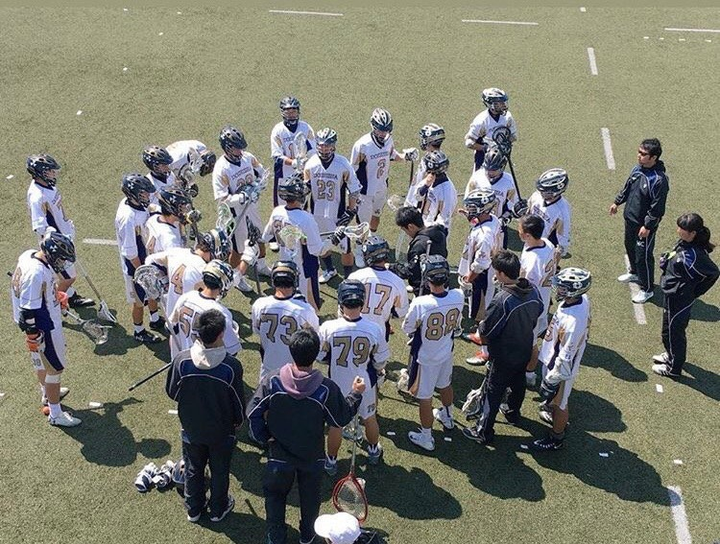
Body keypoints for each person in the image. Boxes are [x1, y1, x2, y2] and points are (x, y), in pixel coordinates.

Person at [247, 329, 365, 544]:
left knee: (275, 497)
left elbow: (253, 412)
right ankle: (308, 536)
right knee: (310, 500)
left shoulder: (273, 380)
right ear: (316, 353)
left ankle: (276, 536)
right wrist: (355, 394)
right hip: (312, 456)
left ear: (291, 350)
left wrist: (263, 437)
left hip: (279, 455)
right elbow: (340, 418)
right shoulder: (326, 388)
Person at [166, 309, 245, 523]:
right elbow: (238, 403)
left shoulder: (182, 360)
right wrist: (238, 421)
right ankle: (218, 509)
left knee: (193, 467)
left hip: (191, 427)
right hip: (221, 430)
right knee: (219, 471)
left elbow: (172, 391)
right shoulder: (231, 367)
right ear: (221, 334)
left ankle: (194, 509)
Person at [462, 250, 542, 446]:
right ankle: (513, 413)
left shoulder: (502, 300)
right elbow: (539, 311)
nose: (495, 275)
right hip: (524, 348)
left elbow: (487, 330)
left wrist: (483, 328)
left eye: (496, 272)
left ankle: (483, 431)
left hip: (504, 355)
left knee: (493, 391)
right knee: (518, 383)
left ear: (503, 274)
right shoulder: (533, 290)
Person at [10, 229, 81, 426]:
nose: (62, 263)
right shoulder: (36, 273)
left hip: (42, 319)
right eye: (61, 258)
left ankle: (46, 394)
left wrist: (55, 296)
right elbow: (28, 311)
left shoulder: (29, 255)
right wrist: (34, 335)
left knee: (42, 364)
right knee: (55, 368)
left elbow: (36, 293)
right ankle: (55, 414)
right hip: (44, 326)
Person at [320, 280, 390, 472]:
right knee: (369, 418)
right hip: (364, 383)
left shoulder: (328, 327)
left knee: (336, 424)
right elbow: (381, 360)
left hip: (337, 384)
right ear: (362, 301)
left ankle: (331, 461)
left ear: (341, 301)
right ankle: (373, 450)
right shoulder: (374, 328)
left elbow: (320, 357)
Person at [402, 256, 464, 451]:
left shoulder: (421, 303)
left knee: (425, 397)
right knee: (445, 385)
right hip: (446, 350)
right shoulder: (458, 295)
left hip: (426, 357)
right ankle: (448, 416)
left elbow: (407, 327)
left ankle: (426, 437)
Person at [529, 267, 592, 451]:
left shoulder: (573, 321)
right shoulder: (580, 301)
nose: (559, 290)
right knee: (556, 400)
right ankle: (550, 407)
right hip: (554, 355)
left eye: (563, 287)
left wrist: (553, 378)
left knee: (561, 403)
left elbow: (566, 356)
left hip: (561, 367)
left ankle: (556, 437)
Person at [261, 173, 341, 310]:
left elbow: (266, 237)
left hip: (284, 263)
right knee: (309, 305)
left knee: (289, 300)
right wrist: (334, 239)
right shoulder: (305, 218)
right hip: (304, 267)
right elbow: (318, 250)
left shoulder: (277, 212)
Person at [652, 213, 719, 377]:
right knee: (667, 330)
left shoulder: (696, 255)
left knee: (674, 333)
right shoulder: (685, 242)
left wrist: (696, 291)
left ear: (692, 233)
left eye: (682, 228)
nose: (678, 230)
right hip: (672, 294)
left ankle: (673, 369)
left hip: (681, 299)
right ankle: (670, 355)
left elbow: (714, 273)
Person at [25, 154, 94, 307]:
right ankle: (52, 304)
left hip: (64, 236)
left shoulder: (48, 186)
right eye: (50, 171)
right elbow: (40, 227)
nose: (53, 173)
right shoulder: (37, 196)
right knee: (69, 277)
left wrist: (66, 226)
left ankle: (70, 296)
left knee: (66, 274)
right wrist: (60, 239)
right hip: (57, 245)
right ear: (41, 173)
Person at [609, 138, 670, 304]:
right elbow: (627, 188)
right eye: (639, 152)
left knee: (643, 256)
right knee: (629, 246)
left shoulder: (659, 180)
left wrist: (648, 226)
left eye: (643, 154)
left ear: (654, 157)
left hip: (644, 226)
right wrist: (617, 202)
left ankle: (647, 289)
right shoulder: (637, 170)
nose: (639, 156)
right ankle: (635, 273)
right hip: (630, 219)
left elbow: (657, 207)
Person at [212, 124, 271, 292]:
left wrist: (258, 185)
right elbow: (222, 198)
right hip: (235, 214)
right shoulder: (221, 169)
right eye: (237, 148)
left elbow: (261, 172)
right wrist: (242, 197)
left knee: (259, 236)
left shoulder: (247, 158)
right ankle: (236, 276)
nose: (240, 151)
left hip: (251, 207)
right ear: (227, 148)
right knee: (238, 249)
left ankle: (261, 265)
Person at [304, 127, 360, 282]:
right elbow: (305, 189)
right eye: (321, 145)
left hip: (338, 214)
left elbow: (354, 189)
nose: (324, 148)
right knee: (321, 245)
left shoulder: (342, 163)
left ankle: (348, 277)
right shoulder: (311, 164)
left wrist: (350, 211)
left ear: (333, 145)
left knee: (345, 248)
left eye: (327, 145)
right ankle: (329, 269)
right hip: (317, 213)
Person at [114, 173, 164, 344]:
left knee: (153, 291)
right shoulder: (128, 218)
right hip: (135, 266)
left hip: (146, 258)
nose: (147, 196)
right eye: (143, 193)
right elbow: (130, 252)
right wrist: (142, 271)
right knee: (138, 301)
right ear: (133, 194)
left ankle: (155, 319)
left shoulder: (135, 204)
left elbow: (148, 208)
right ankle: (139, 330)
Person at [350, 108, 417, 233]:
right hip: (364, 192)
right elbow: (352, 170)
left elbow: (391, 154)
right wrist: (353, 192)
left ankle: (372, 237)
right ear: (373, 126)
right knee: (363, 224)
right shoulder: (362, 145)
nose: (383, 134)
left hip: (381, 187)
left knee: (376, 216)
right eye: (380, 130)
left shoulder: (388, 140)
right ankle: (362, 244)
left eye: (386, 130)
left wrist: (405, 156)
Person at [251, 260, 319, 382]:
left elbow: (257, 331)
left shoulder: (259, 304)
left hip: (268, 367)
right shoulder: (304, 310)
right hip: (294, 372)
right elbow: (313, 337)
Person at [457, 190, 503, 365]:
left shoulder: (484, 235)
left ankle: (485, 352)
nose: (470, 209)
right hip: (488, 273)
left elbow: (481, 264)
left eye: (472, 207)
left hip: (482, 277)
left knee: (481, 315)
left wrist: (468, 279)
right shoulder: (493, 219)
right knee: (481, 311)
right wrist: (468, 216)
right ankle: (479, 336)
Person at [168, 259, 241, 360]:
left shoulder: (186, 297)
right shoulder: (221, 313)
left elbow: (170, 328)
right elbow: (232, 350)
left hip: (182, 359)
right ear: (224, 284)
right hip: (205, 363)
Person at [518, 214, 558, 386]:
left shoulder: (533, 260)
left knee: (531, 341)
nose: (518, 232)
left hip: (533, 305)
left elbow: (527, 287)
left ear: (527, 235)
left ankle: (529, 372)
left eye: (520, 230)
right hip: (544, 297)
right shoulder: (547, 243)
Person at [347, 235, 409, 339]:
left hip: (354, 329)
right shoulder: (397, 282)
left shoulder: (355, 277)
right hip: (379, 331)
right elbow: (400, 313)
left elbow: (343, 306)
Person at [464, 145, 519, 248]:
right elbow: (468, 200)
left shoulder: (508, 181)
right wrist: (471, 216)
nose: (490, 172)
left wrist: (504, 219)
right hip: (478, 223)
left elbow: (512, 206)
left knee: (499, 255)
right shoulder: (477, 177)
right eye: (488, 169)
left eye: (494, 170)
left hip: (499, 226)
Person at [389, 206, 448, 295]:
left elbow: (412, 272)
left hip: (425, 289)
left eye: (405, 230)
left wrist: (392, 267)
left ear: (410, 227)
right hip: (441, 282)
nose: (407, 234)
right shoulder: (439, 232)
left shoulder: (419, 246)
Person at [271, 96, 316, 207]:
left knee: (301, 205)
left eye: (294, 111)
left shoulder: (305, 127)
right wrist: (293, 163)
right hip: (284, 175)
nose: (291, 115)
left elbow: (312, 150)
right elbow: (277, 156)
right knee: (281, 207)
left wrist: (306, 162)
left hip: (302, 174)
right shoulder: (278, 130)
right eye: (288, 112)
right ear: (283, 113)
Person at [464, 87, 517, 172]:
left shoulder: (507, 117)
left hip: (501, 156)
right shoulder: (481, 121)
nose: (503, 105)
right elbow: (469, 142)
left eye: (503, 102)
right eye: (500, 103)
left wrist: (505, 145)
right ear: (491, 104)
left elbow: (513, 136)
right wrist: (486, 148)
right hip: (483, 157)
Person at [525, 168, 572, 258]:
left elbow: (562, 243)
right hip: (529, 240)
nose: (542, 193)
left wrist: (554, 262)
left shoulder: (563, 212)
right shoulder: (536, 196)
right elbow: (526, 214)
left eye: (546, 192)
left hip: (544, 251)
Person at [411, 150, 457, 234]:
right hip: (421, 224)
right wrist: (426, 186)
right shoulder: (429, 180)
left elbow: (444, 220)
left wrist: (426, 231)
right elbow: (417, 196)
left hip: (433, 233)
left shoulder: (447, 191)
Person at [405, 123, 445, 209]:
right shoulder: (431, 158)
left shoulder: (433, 162)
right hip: (413, 199)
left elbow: (427, 185)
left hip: (417, 204)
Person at [144, 187, 193, 254]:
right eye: (182, 208)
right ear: (172, 209)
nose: (185, 212)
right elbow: (177, 260)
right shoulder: (171, 240)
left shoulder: (153, 219)